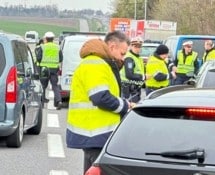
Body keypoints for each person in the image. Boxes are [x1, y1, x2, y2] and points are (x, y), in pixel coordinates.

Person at [66, 31, 134, 174]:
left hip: (94, 134)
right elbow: (101, 97)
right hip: (96, 133)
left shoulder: (98, 63)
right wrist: (125, 106)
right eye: (122, 53)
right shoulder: (96, 64)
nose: (123, 58)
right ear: (111, 47)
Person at [36, 31, 63, 109]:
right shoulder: (57, 47)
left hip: (44, 69)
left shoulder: (42, 47)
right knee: (55, 85)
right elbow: (61, 59)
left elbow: (38, 58)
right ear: (53, 39)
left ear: (46, 39)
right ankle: (59, 101)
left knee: (43, 86)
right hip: (54, 69)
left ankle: (42, 101)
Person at [120, 37, 151, 102]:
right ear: (131, 46)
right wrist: (144, 77)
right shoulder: (129, 58)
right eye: (135, 46)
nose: (138, 48)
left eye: (139, 46)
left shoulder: (138, 58)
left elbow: (140, 70)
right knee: (130, 107)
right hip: (128, 88)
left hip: (135, 88)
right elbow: (129, 75)